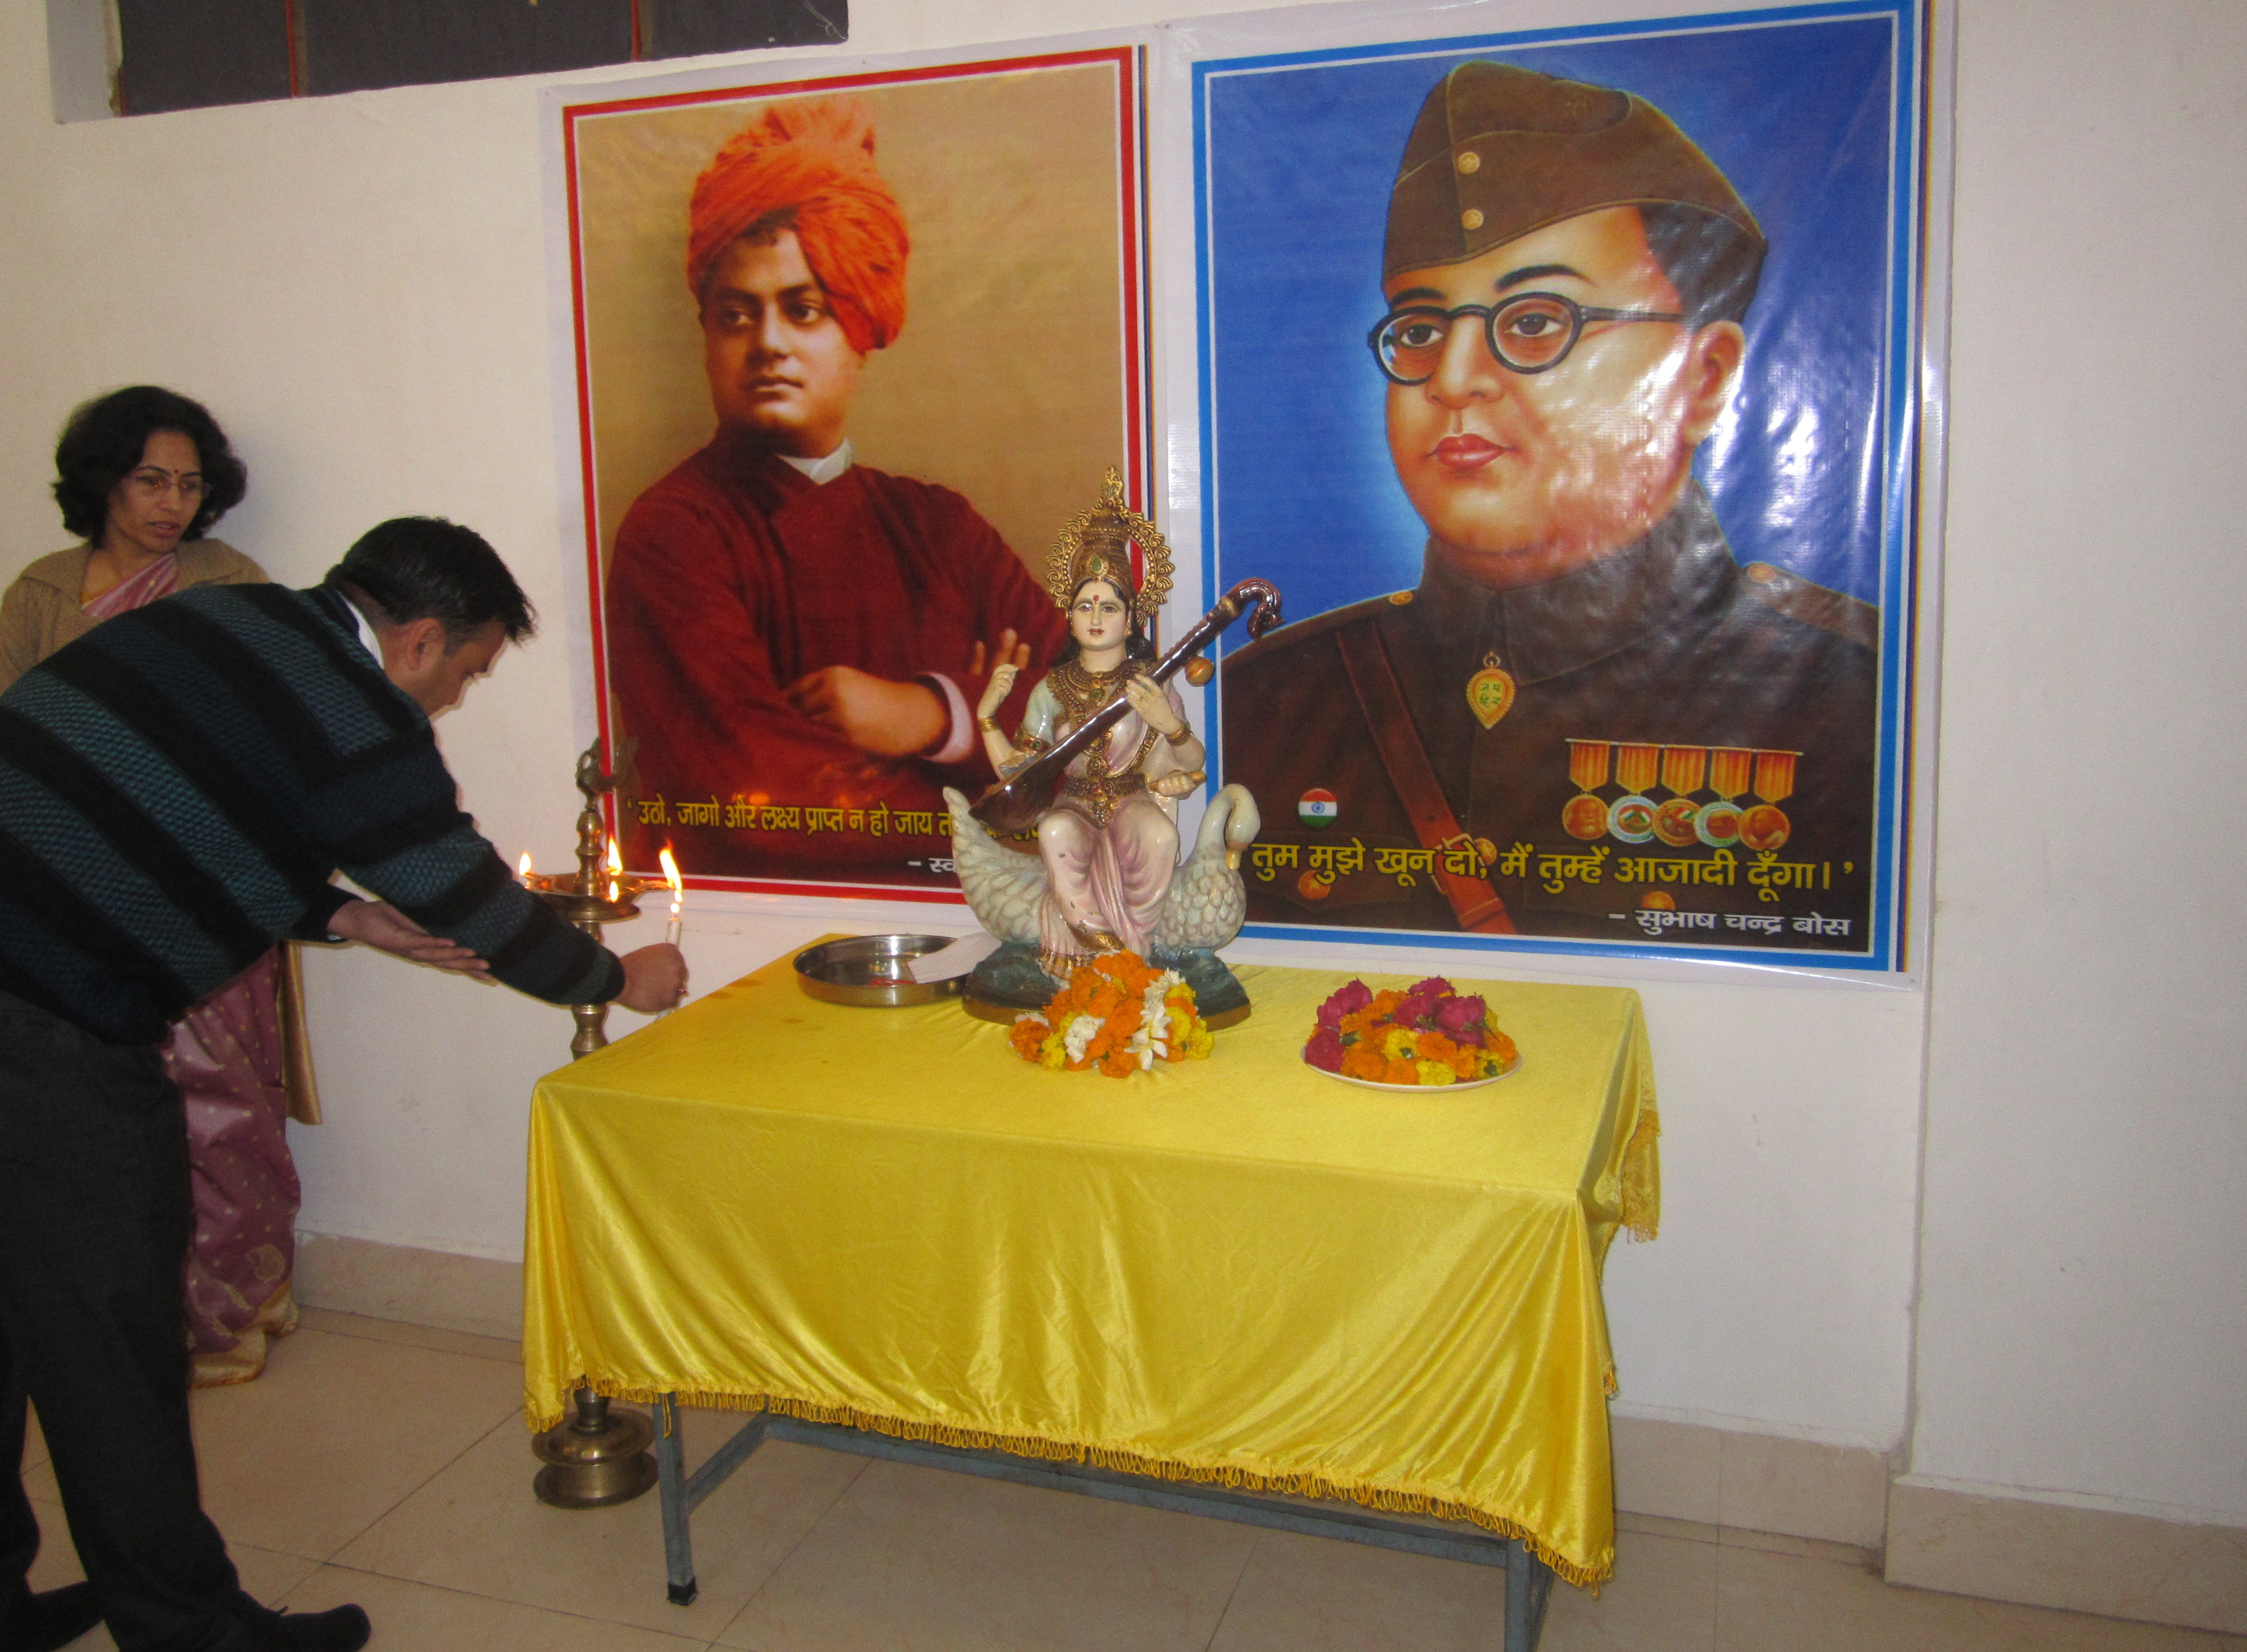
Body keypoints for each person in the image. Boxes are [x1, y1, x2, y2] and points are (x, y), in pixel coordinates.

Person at [0, 517, 687, 1652]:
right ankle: (191, 1632)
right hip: (38, 1037)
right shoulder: (356, 711)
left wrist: (342, 914)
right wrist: (616, 977)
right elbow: (459, 884)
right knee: (110, 1349)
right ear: (417, 639)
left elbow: (186, 807)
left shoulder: (224, 624)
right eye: (467, 671)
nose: (455, 698)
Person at [1219, 60, 1880, 952]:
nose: (1453, 378)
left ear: (1703, 378)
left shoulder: (1854, 704)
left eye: (1535, 321)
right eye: (1420, 329)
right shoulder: (1269, 706)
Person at [604, 96, 1068, 883]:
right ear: (706, 337)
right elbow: (762, 793)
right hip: (751, 924)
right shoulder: (673, 534)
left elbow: (1099, 710)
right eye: (736, 315)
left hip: (976, 914)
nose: (769, 344)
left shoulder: (940, 528)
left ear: (861, 330)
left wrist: (929, 714)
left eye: (805, 310)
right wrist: (999, 778)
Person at [0, 385, 303, 1390]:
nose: (172, 504)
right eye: (150, 481)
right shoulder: (42, 594)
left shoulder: (229, 582)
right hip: (83, 888)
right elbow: (9, 745)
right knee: (114, 1106)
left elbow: (274, 725)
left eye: (190, 485)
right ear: (104, 483)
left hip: (210, 881)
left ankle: (237, 1301)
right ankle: (150, 1301)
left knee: (221, 1102)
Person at [974, 476, 1202, 974]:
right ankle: (1102, 949)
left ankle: (1135, 944)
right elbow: (1019, 771)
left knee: (1160, 838)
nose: (1096, 617)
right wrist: (987, 718)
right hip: (1075, 802)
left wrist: (1168, 724)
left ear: (1130, 619)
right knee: (1055, 829)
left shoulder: (1151, 684)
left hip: (1132, 799)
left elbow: (1193, 760)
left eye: (1109, 607)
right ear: (1071, 616)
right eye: (1085, 606)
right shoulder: (1052, 689)